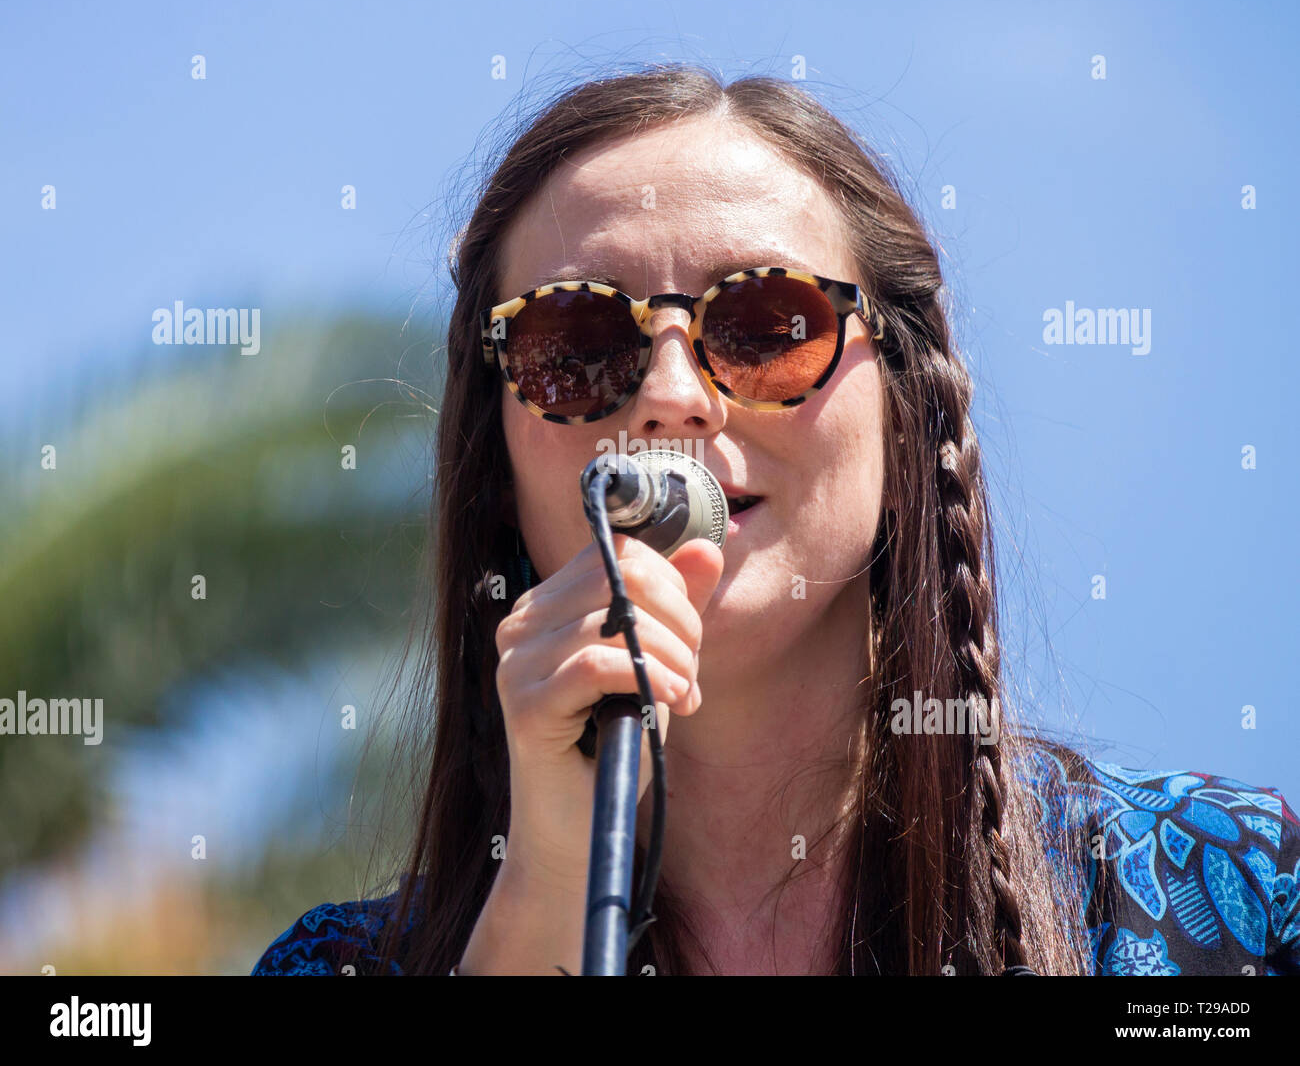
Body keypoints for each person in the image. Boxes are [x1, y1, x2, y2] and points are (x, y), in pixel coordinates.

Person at [252, 65, 1299, 976]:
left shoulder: (1230, 892)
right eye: (574, 342)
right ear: (499, 446)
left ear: (904, 407)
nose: (669, 394)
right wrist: (546, 887)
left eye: (763, 326)